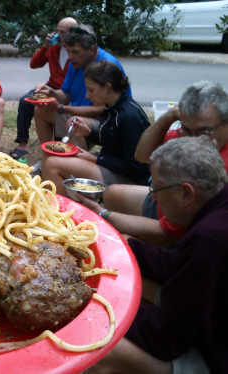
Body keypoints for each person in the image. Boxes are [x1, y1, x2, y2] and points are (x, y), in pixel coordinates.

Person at [86, 136, 228, 374]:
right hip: (204, 318)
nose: (152, 198)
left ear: (186, 194)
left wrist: (95, 302)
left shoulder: (211, 240)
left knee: (99, 345)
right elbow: (177, 264)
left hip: (214, 354)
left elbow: (167, 337)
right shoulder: (216, 205)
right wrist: (123, 244)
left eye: (156, 188)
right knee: (131, 274)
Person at [98, 81, 228, 245]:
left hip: (177, 229)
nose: (194, 139)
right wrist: (169, 116)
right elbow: (142, 155)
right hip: (164, 200)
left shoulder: (219, 170)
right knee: (111, 195)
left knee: (114, 241)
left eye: (205, 131)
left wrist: (101, 214)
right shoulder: (186, 135)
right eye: (186, 129)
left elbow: (166, 231)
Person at [42, 60, 150, 195]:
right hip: (112, 165)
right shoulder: (113, 106)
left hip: (131, 181)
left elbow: (135, 167)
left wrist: (95, 159)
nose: (87, 95)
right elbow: (115, 140)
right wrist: (88, 133)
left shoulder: (129, 116)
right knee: (51, 158)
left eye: (91, 90)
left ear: (107, 87)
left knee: (52, 164)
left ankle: (63, 210)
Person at [34, 24, 130, 147]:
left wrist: (63, 109)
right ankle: (49, 153)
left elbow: (102, 110)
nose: (70, 56)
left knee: (74, 123)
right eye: (68, 51)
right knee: (41, 110)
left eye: (75, 52)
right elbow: (66, 95)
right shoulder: (75, 62)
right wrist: (51, 92)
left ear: (92, 49)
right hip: (80, 113)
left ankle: (73, 162)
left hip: (108, 120)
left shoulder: (106, 65)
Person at [9, 17, 78, 160]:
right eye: (57, 31)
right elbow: (34, 64)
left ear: (74, 33)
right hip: (51, 86)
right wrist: (45, 46)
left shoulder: (77, 51)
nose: (58, 35)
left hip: (67, 92)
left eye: (63, 32)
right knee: (25, 101)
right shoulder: (54, 48)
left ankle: (57, 146)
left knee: (52, 108)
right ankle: (22, 145)